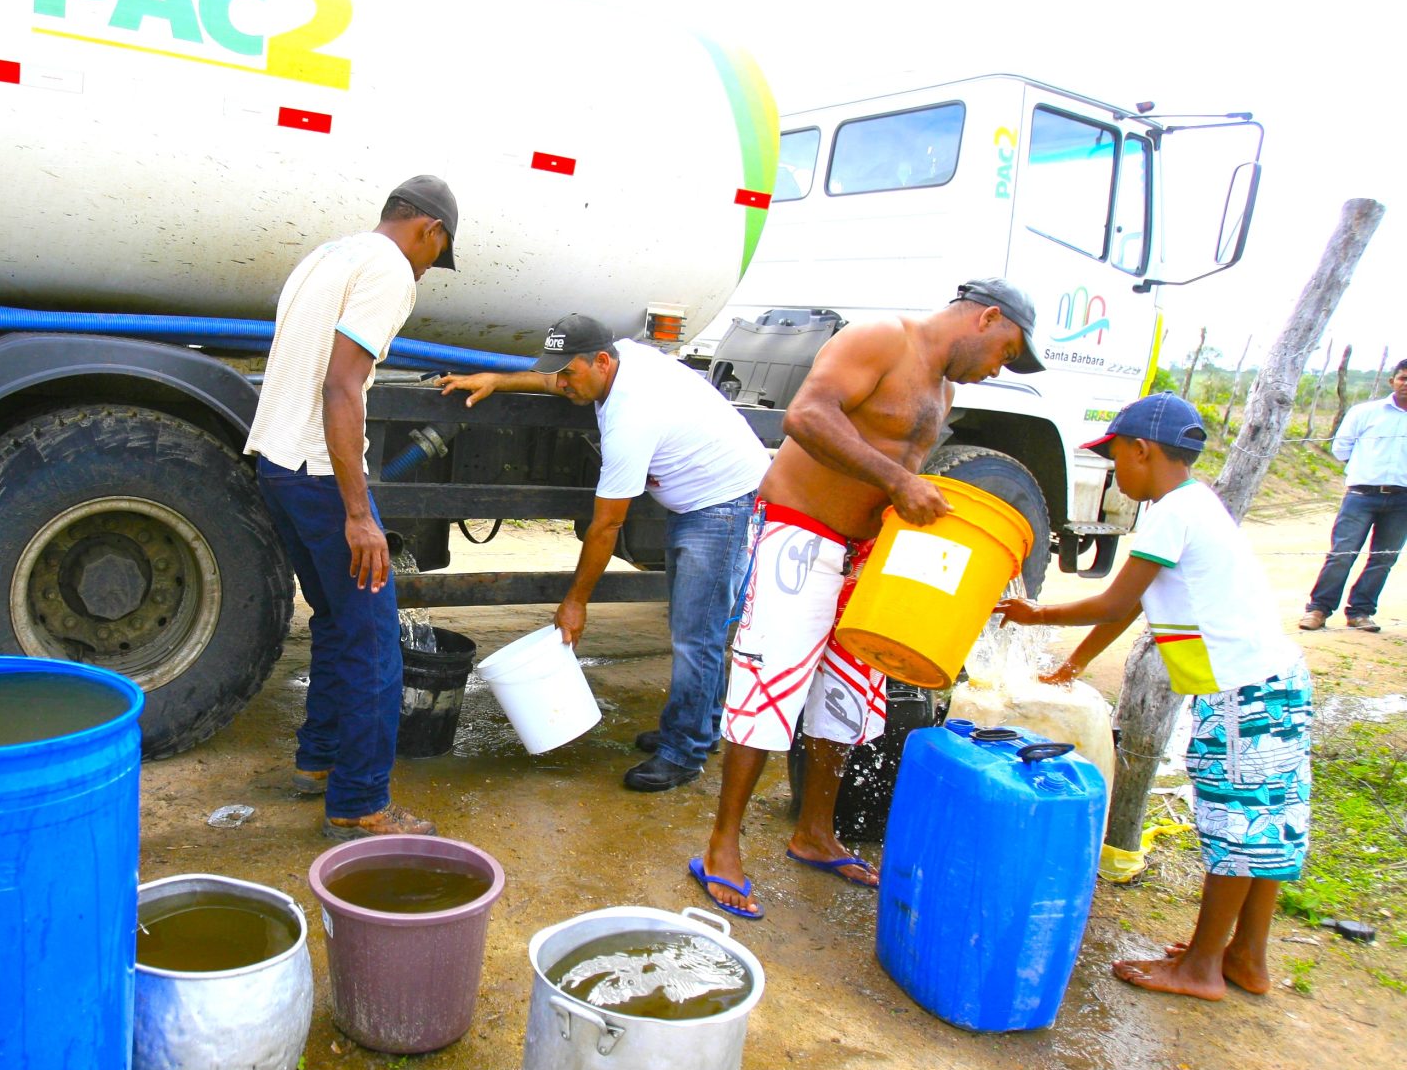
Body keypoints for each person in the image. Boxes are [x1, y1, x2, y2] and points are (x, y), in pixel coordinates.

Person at [691, 278, 1043, 916]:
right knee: (767, 689)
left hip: (866, 555)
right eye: (1006, 351)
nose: (1001, 369)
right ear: (987, 317)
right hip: (797, 535)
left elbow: (899, 473)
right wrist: (897, 478)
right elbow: (807, 416)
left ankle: (815, 833)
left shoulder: (947, 388)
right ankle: (722, 846)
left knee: (848, 699)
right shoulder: (882, 339)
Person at [1001, 393, 1310, 1001]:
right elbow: (1138, 600)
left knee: (1238, 827)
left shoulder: (1170, 511)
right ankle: (1244, 956)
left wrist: (1036, 612)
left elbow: (1114, 601)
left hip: (1240, 694)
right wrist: (1078, 661)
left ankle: (1199, 967)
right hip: (1270, 684)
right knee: (1263, 825)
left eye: (1117, 461)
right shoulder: (1197, 505)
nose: (1117, 474)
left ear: (1142, 450)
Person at [436, 315, 770, 790]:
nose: (561, 384)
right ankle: (699, 727)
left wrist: (575, 601)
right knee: (695, 627)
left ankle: (686, 752)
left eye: (569, 375)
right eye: (559, 373)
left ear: (601, 361)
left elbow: (607, 524)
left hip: (723, 505)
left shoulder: (631, 414)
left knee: (696, 634)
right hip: (702, 499)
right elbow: (555, 377)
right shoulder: (615, 360)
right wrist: (499, 379)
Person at [243, 175, 458, 839]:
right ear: (430, 231)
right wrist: (359, 513)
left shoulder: (327, 256)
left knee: (339, 621)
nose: (429, 266)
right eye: (436, 253)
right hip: (316, 471)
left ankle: (320, 759)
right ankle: (361, 800)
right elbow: (342, 386)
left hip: (277, 464)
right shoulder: (390, 269)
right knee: (373, 643)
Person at [1300, 359, 1407, 633]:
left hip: (1402, 501)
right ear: (1392, 381)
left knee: (1383, 558)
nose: (1406, 385)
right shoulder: (1366, 413)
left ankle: (1360, 612)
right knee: (1342, 553)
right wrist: (1367, 470)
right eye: (1403, 378)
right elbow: (1341, 449)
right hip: (1361, 495)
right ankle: (1318, 609)